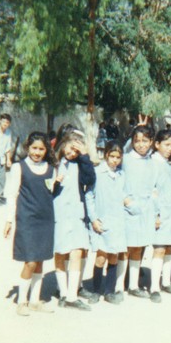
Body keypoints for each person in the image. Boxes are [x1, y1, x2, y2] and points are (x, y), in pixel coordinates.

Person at [4, 132, 56, 316]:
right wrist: (9, 220)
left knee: (40, 261)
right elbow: (11, 194)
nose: (37, 152)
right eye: (34, 148)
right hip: (27, 220)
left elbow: (51, 193)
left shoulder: (51, 169)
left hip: (46, 220)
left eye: (41, 149)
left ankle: (35, 300)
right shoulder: (19, 167)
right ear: (28, 148)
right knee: (30, 261)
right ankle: (22, 301)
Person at [52, 125, 96, 311]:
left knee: (78, 251)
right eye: (70, 149)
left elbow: (89, 180)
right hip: (58, 213)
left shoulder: (80, 163)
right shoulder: (52, 164)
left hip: (77, 213)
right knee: (60, 253)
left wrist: (85, 157)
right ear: (63, 145)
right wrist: (54, 183)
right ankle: (62, 291)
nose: (72, 154)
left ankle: (72, 294)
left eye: (76, 151)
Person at [86, 143, 130, 305]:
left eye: (118, 157)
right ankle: (96, 290)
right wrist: (94, 219)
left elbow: (124, 194)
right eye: (112, 156)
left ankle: (109, 291)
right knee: (101, 257)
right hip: (102, 221)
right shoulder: (97, 173)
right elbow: (89, 196)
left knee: (114, 256)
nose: (115, 161)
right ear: (106, 156)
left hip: (117, 221)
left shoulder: (121, 175)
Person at [123, 124, 161, 298]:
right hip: (127, 207)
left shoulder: (152, 163)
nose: (141, 145)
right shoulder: (126, 159)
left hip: (145, 209)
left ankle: (133, 285)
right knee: (125, 247)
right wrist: (127, 201)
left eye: (145, 141)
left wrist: (155, 210)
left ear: (152, 142)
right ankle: (118, 284)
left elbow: (154, 187)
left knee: (138, 246)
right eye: (137, 141)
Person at [150, 129, 171, 302]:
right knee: (160, 248)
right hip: (161, 212)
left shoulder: (165, 163)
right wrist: (156, 214)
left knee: (169, 247)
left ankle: (166, 281)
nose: (170, 149)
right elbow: (153, 190)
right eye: (166, 145)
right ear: (156, 145)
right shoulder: (154, 163)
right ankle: (154, 287)